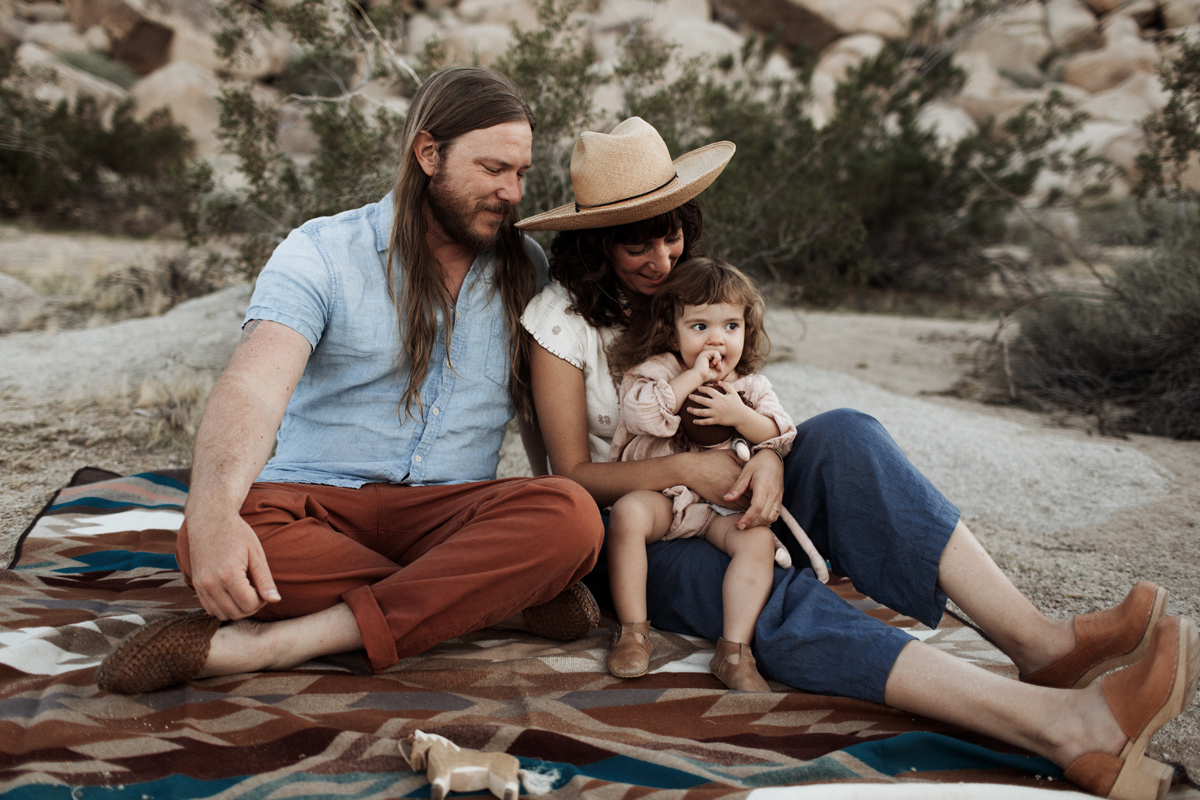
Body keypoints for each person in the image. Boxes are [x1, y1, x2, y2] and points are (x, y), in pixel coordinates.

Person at [518, 115, 1198, 800]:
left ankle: (1042, 646)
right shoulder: (559, 322)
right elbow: (573, 478)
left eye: (672, 233)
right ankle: (1062, 728)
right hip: (639, 531)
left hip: (726, 489)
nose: (661, 257)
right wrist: (683, 470)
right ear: (596, 243)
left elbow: (756, 397)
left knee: (847, 432)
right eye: (637, 242)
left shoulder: (691, 290)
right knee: (757, 597)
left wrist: (771, 457)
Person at [94, 67, 605, 695]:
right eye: (493, 169)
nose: (512, 192)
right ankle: (495, 598)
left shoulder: (525, 267)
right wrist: (210, 510)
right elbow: (253, 386)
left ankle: (280, 644)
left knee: (570, 517)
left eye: (521, 173)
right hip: (315, 507)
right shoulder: (321, 252)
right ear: (428, 154)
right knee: (215, 538)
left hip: (449, 514)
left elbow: (540, 417)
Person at [605, 256, 821, 690]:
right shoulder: (658, 372)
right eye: (699, 327)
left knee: (757, 539)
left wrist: (739, 414)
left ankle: (734, 650)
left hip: (717, 509)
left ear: (746, 329)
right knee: (627, 513)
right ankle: (632, 631)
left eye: (731, 327)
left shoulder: (752, 386)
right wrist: (691, 378)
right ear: (672, 329)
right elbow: (643, 414)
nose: (716, 340)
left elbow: (780, 433)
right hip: (666, 498)